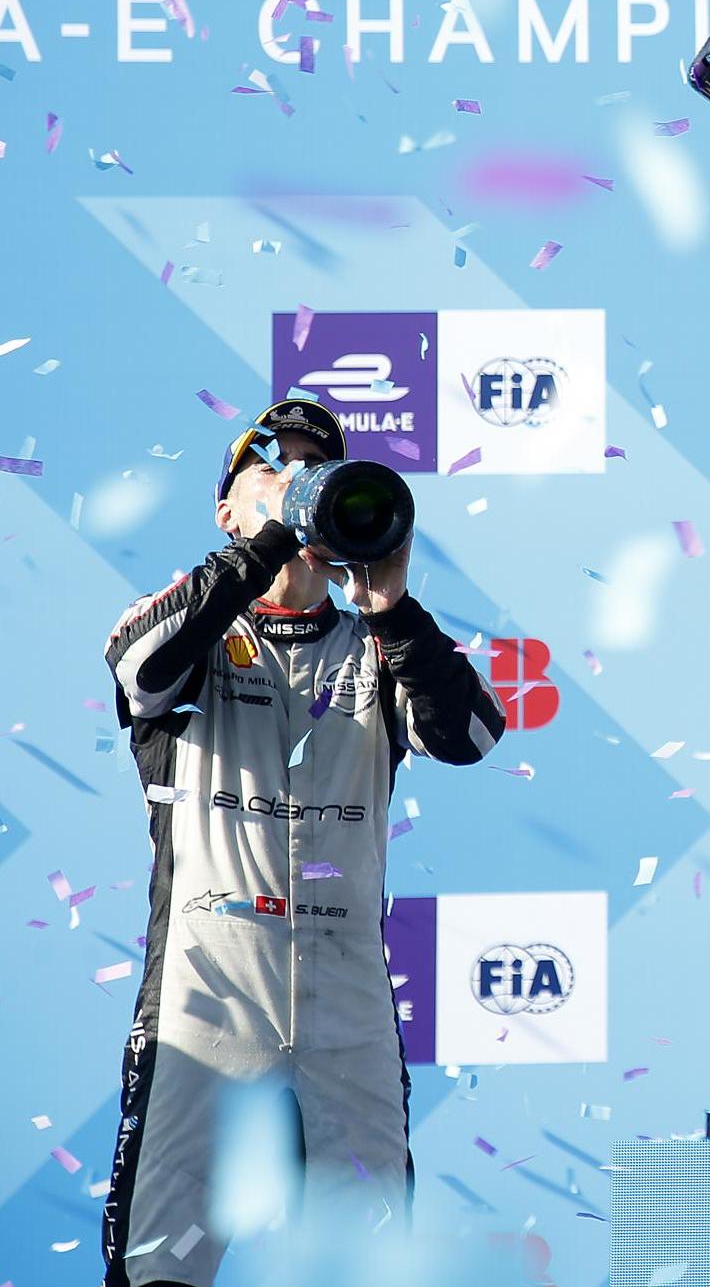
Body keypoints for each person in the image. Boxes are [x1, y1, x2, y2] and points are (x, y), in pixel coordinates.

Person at [100, 399, 505, 1287]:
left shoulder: (376, 645)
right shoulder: (193, 626)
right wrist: (262, 550)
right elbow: (139, 669)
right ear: (227, 509)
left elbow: (472, 735)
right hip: (209, 997)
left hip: (347, 1004)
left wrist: (393, 606)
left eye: (316, 472)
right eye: (273, 472)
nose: (298, 489)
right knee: (160, 1270)